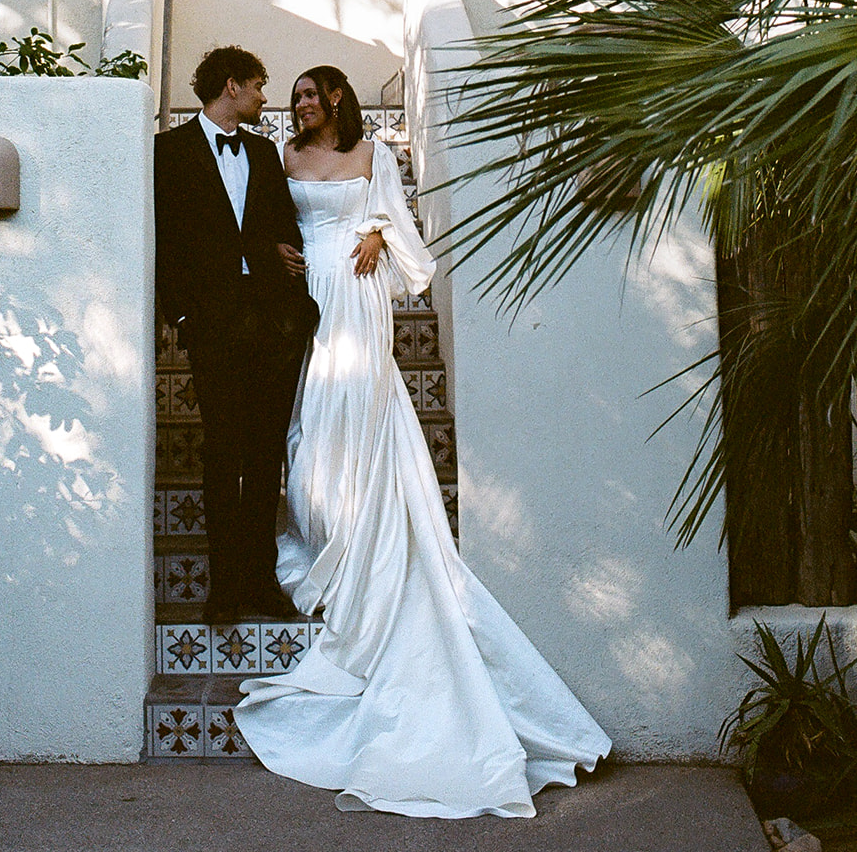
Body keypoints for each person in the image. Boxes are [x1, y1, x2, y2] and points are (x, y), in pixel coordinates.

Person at [236, 65, 611, 818]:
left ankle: (367, 526)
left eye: (310, 96)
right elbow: (274, 225)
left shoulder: (372, 151)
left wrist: (375, 229)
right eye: (294, 98)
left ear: (335, 98)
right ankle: (327, 530)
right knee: (309, 423)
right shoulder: (283, 157)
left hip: (361, 289)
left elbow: (395, 220)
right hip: (309, 291)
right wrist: (280, 253)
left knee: (356, 400)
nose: (299, 106)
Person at [154, 46, 319, 624]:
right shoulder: (168, 151)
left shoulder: (263, 149)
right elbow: (164, 239)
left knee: (266, 451)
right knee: (224, 455)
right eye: (257, 87)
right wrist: (180, 317)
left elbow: (282, 224)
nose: (264, 98)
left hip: (273, 322)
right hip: (212, 326)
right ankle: (224, 587)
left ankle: (261, 581)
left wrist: (278, 257)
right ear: (231, 86)